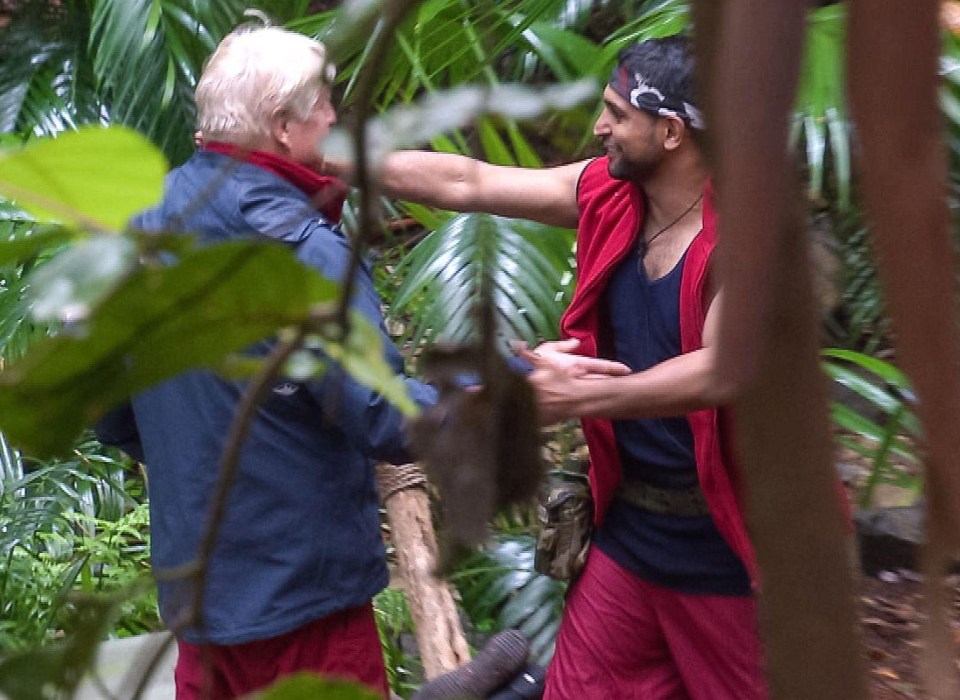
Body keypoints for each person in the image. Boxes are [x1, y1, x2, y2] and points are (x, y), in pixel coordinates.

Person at [327, 36, 766, 700]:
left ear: (672, 131)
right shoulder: (612, 195)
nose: (600, 127)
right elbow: (466, 181)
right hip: (633, 534)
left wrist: (580, 400)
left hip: (733, 552)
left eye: (618, 113)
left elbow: (721, 370)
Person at [95, 25, 437, 700]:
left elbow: (111, 414)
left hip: (202, 602)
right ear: (283, 127)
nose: (336, 117)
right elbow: (383, 419)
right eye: (324, 106)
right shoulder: (304, 255)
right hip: (305, 607)